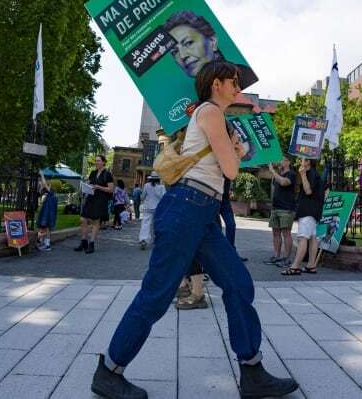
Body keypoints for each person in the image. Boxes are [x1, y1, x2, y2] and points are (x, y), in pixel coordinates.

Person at [91, 61, 298, 399]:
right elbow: (231, 170)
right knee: (157, 294)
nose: (238, 88)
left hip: (201, 212)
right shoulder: (211, 112)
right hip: (187, 207)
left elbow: (226, 166)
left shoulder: (214, 118)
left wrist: (235, 149)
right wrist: (238, 151)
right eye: (233, 81)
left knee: (237, 283)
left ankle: (252, 371)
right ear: (216, 83)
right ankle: (110, 371)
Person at [162, 10, 258, 89]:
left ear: (212, 41)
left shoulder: (244, 77)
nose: (182, 55)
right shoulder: (203, 94)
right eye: (174, 52)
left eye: (188, 43)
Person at [283, 159, 325, 275]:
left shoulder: (310, 173)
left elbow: (308, 191)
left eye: (302, 159)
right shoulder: (317, 174)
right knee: (313, 238)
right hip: (314, 211)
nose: (299, 161)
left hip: (307, 211)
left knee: (302, 238)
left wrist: (302, 174)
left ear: (308, 162)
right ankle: (311, 265)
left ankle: (295, 266)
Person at [75, 155, 114, 254]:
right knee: (83, 219)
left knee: (95, 222)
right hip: (91, 198)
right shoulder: (93, 173)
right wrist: (86, 187)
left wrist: (99, 187)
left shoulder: (107, 174)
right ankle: (84, 242)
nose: (96, 162)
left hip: (101, 200)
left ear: (103, 162)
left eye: (98, 161)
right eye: (95, 161)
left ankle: (91, 243)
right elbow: (90, 184)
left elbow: (111, 190)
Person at [265, 157, 297, 267]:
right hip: (276, 208)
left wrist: (273, 171)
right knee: (275, 233)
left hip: (286, 208)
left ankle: (287, 258)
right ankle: (276, 256)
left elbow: (284, 183)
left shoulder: (291, 174)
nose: (280, 161)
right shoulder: (277, 174)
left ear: (288, 162)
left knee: (286, 233)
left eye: (283, 160)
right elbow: (274, 188)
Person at [139, 172, 165, 250]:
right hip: (158, 208)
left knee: (145, 223)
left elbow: (142, 197)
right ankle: (155, 239)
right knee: (156, 224)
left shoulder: (146, 186)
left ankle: (143, 239)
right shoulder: (161, 187)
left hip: (147, 207)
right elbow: (163, 198)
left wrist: (142, 200)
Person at [36, 171, 57, 252]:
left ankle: (42, 241)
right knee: (46, 228)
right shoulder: (52, 195)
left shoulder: (51, 193)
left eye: (50, 184)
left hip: (47, 214)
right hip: (49, 214)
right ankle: (46, 244)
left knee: (46, 228)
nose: (48, 184)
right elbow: (43, 186)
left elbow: (44, 184)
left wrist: (42, 175)